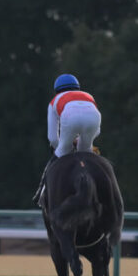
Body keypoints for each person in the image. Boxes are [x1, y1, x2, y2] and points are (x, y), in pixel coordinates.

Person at [33, 74, 102, 205]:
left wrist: (66, 148)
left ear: (57, 90)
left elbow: (52, 138)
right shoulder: (89, 96)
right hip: (94, 119)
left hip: (70, 120)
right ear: (78, 88)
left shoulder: (54, 101)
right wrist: (81, 141)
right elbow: (97, 131)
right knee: (87, 152)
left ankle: (41, 193)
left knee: (60, 152)